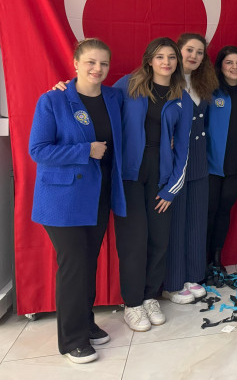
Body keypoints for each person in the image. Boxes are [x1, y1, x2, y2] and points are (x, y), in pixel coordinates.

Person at [29, 39, 126, 364]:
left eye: (103, 63)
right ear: (75, 63)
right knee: (73, 266)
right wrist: (85, 150)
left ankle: (85, 322)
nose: (97, 69)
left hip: (98, 196)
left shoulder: (113, 97)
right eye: (90, 62)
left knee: (87, 263)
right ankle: (72, 339)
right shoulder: (53, 100)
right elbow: (38, 150)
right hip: (63, 200)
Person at [113, 37, 192, 332]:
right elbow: (94, 99)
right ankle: (132, 304)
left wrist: (171, 189)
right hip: (130, 176)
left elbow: (183, 147)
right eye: (160, 57)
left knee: (159, 241)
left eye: (171, 57)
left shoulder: (182, 97)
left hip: (161, 175)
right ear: (149, 60)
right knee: (134, 242)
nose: (166, 62)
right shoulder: (127, 85)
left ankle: (149, 297)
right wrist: (65, 88)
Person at [162, 33, 217, 304]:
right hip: (175, 163)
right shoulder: (164, 81)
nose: (194, 56)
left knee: (196, 220)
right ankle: (173, 282)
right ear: (178, 51)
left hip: (199, 162)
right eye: (189, 50)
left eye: (199, 52)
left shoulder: (201, 83)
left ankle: (193, 275)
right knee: (176, 223)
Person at [206, 46, 237, 268]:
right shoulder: (210, 93)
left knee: (224, 213)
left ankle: (217, 260)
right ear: (220, 66)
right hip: (210, 166)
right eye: (229, 62)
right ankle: (201, 261)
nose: (235, 67)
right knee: (208, 213)